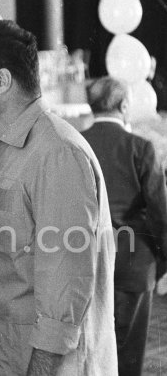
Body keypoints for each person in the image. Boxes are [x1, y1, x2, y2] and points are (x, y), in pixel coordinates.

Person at [0, 20, 117, 375]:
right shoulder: (12, 148)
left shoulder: (57, 153)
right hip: (8, 356)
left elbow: (63, 299)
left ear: (1, 81)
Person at [81, 76, 167, 376]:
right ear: (125, 105)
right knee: (129, 355)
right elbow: (160, 212)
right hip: (135, 259)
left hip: (84, 256)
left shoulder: (76, 143)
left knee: (91, 352)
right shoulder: (141, 147)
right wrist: (161, 262)